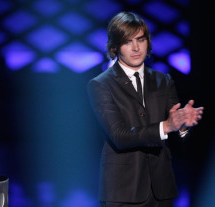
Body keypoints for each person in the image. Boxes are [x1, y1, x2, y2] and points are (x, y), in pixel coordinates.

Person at [87, 11, 203, 207]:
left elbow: (174, 129)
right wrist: (166, 126)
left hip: (161, 188)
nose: (135, 48)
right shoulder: (101, 85)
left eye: (140, 40)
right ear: (115, 46)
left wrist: (183, 125)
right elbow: (119, 135)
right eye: (127, 42)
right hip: (123, 190)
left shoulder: (162, 80)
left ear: (147, 42)